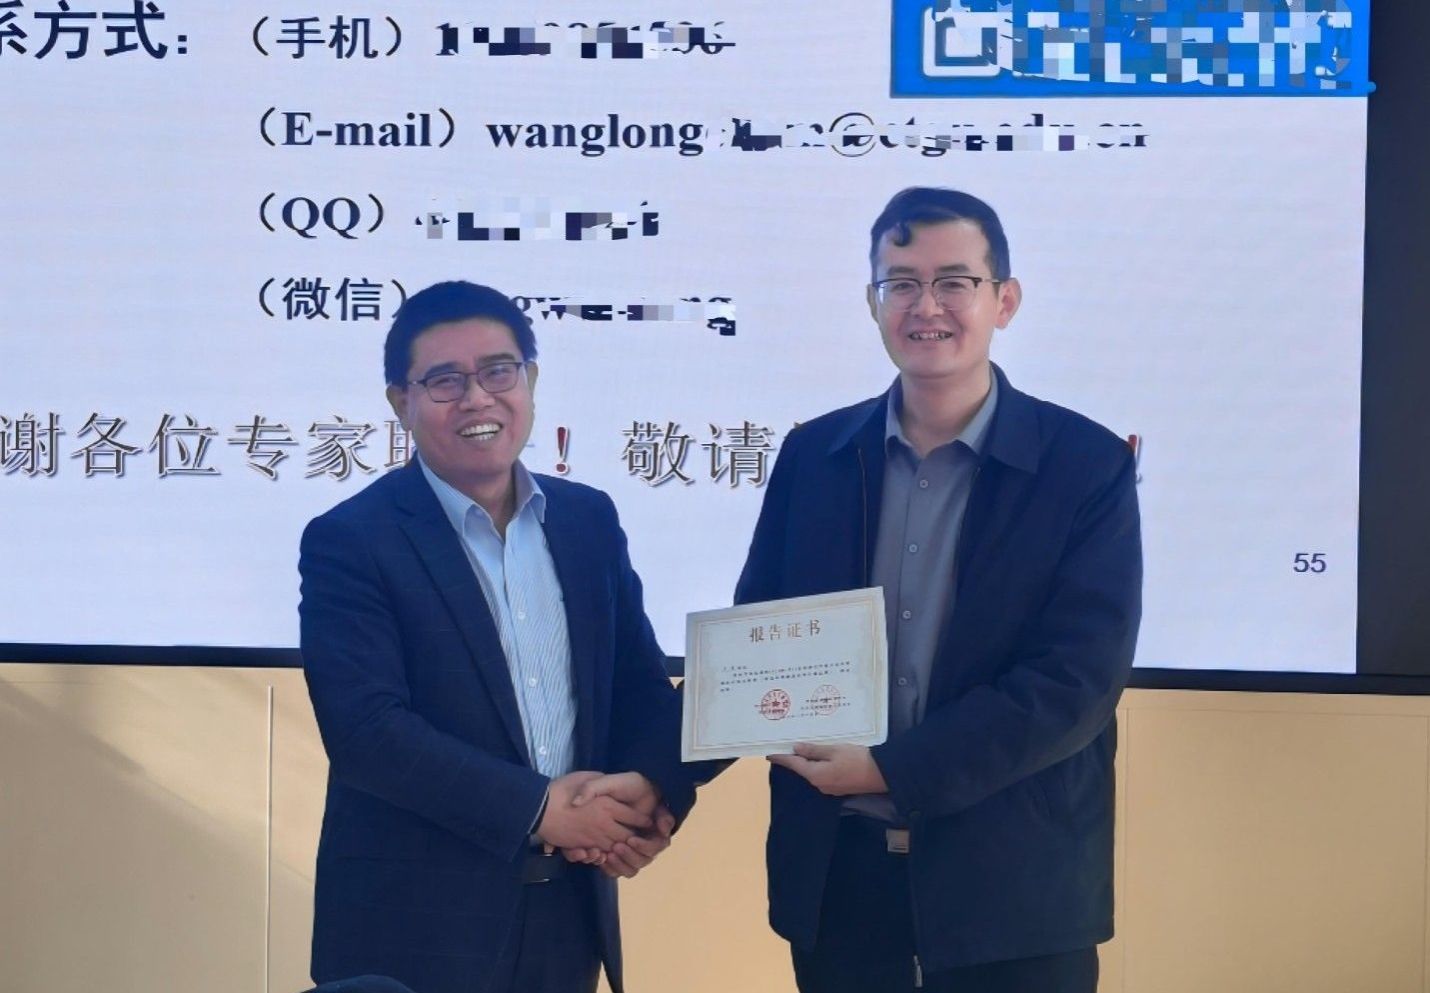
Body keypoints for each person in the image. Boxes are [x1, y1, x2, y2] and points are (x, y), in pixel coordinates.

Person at [736, 188, 1143, 992]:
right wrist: (657, 780)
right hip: (840, 887)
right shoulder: (815, 456)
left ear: (1005, 300)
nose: (927, 307)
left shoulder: (1085, 465)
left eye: (955, 281)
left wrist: (893, 768)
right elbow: (757, 641)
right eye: (901, 283)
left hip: (1015, 895)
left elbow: (1076, 682)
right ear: (873, 302)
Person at [299, 280, 692, 993]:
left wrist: (647, 797)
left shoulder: (588, 520)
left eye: (498, 371)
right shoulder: (352, 539)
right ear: (401, 402)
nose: (477, 398)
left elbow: (638, 690)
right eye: (445, 380)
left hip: (566, 911)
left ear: (530, 381)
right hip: (412, 930)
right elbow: (367, 731)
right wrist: (542, 810)